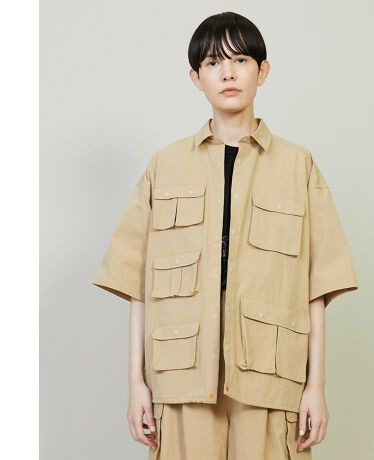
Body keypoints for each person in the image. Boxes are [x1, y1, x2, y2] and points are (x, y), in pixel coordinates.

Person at [92, 11, 358, 460]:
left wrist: (316, 387)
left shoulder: (299, 167)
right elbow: (137, 285)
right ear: (195, 77)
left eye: (240, 60)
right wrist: (136, 384)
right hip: (182, 376)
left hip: (270, 376)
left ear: (262, 71)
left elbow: (316, 288)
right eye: (213, 63)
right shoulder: (165, 166)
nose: (228, 73)